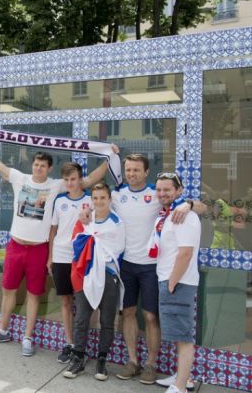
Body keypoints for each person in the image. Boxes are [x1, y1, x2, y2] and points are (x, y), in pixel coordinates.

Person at [0, 126, 113, 357]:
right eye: (36, 164)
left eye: (43, 166)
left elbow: (87, 181)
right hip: (15, 245)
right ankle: (2, 329)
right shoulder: (20, 178)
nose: (38, 168)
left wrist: (109, 158)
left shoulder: (56, 185)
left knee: (34, 294)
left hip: (39, 249)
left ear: (49, 169)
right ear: (33, 165)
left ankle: (28, 338)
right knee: (8, 290)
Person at [101, 154, 199, 386]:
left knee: (151, 316)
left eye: (136, 170)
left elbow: (201, 205)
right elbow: (96, 201)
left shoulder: (158, 194)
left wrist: (190, 203)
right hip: (126, 265)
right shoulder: (117, 194)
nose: (132, 174)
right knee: (128, 313)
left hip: (152, 268)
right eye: (128, 170)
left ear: (146, 172)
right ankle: (133, 361)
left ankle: (151, 365)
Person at [63, 183, 124, 381]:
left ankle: (102, 360)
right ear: (91, 200)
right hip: (85, 273)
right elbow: (76, 241)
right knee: (82, 317)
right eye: (95, 198)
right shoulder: (85, 219)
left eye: (102, 198)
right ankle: (78, 358)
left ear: (109, 199)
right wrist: (91, 243)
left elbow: (118, 249)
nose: (98, 202)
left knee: (107, 320)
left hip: (108, 274)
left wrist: (97, 248)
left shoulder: (116, 222)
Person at [152, 173, 201, 393]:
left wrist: (172, 283)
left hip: (178, 282)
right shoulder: (169, 214)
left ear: (179, 191)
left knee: (183, 336)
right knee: (177, 333)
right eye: (159, 189)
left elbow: (186, 253)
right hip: (169, 279)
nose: (162, 194)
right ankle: (184, 377)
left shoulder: (185, 216)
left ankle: (180, 386)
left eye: (167, 190)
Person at [48, 162, 92, 364]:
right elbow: (53, 231)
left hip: (81, 259)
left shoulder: (91, 200)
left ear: (80, 179)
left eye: (73, 179)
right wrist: (50, 257)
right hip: (60, 256)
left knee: (84, 304)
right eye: (66, 180)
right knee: (66, 301)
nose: (70, 183)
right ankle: (70, 343)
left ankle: (82, 345)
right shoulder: (59, 201)